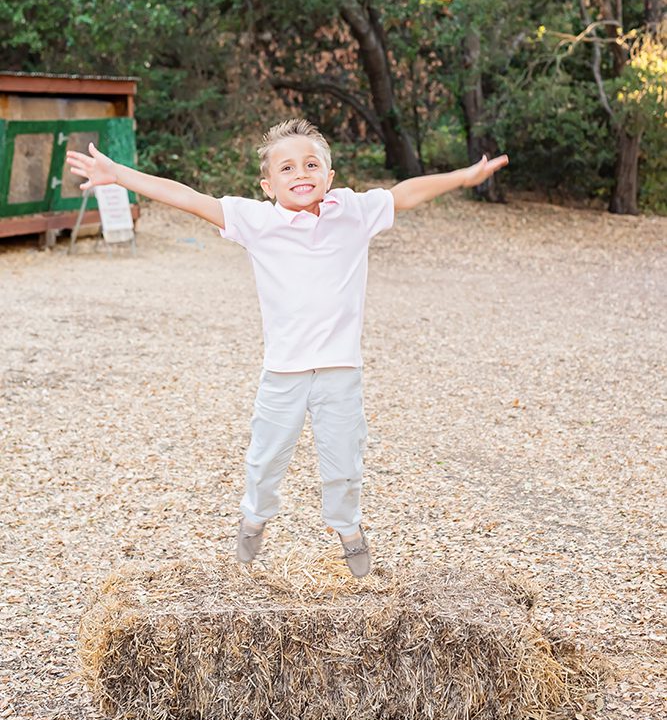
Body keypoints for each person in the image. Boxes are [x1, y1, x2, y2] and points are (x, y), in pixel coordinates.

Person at [66, 118, 508, 577]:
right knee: (266, 459)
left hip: (340, 371)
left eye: (311, 164)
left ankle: (348, 529)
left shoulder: (353, 211)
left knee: (344, 462)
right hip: (283, 373)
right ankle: (255, 518)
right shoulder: (258, 221)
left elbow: (406, 193)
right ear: (268, 185)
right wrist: (118, 174)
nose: (301, 173)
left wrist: (464, 176)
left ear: (329, 176)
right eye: (288, 167)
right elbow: (189, 198)